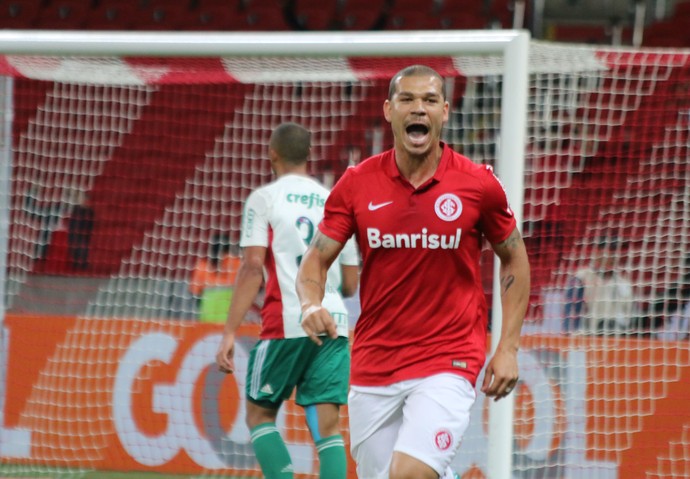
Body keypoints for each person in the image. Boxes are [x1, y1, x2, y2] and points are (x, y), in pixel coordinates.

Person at [296, 65, 531, 479]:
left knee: (407, 475)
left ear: (444, 111)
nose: (417, 108)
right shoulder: (356, 184)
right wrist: (309, 302)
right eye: (407, 100)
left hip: (450, 356)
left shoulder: (478, 184)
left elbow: (513, 258)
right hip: (374, 360)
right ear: (388, 111)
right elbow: (315, 259)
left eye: (428, 100)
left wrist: (508, 347)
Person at [215, 122, 360, 479]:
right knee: (328, 429)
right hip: (334, 323)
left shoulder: (264, 199)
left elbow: (251, 267)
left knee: (259, 415)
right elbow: (352, 282)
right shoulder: (335, 199)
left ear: (272, 154)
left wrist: (230, 332)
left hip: (288, 320)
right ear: (310, 156)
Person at [563, 235, 635, 335]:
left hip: (618, 338)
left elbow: (630, 317)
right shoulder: (581, 277)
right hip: (589, 337)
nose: (614, 255)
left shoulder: (624, 283)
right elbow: (571, 316)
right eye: (611, 250)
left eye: (616, 250)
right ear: (598, 252)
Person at [189, 232, 241, 323]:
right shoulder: (237, 264)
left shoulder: (202, 267)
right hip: (232, 318)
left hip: (207, 317)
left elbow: (194, 293)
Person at [67, 191, 95, 270]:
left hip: (83, 233)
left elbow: (90, 224)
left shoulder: (89, 211)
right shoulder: (75, 209)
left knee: (82, 248)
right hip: (74, 232)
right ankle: (75, 264)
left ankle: (82, 265)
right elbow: (72, 221)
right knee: (75, 248)